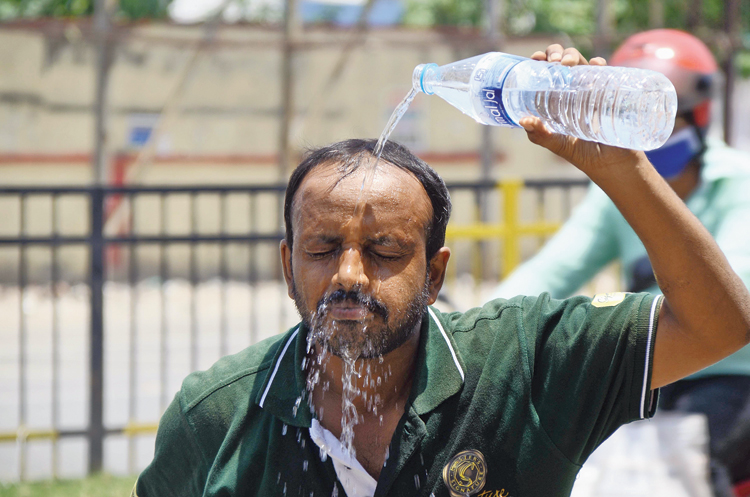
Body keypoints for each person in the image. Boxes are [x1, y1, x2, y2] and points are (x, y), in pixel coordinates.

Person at [132, 45, 750, 497]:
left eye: (385, 250)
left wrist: (623, 169)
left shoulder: (524, 369)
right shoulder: (218, 417)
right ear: (287, 269)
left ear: (434, 276)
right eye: (321, 249)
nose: (349, 274)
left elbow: (718, 326)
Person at [493, 30, 750, 495]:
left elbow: (733, 287)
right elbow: (553, 269)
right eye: (626, 118)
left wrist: (629, 305)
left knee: (688, 464)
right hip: (652, 365)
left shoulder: (739, 183)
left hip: (732, 372)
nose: (646, 135)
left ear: (697, 114)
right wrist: (475, 325)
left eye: (659, 119)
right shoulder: (614, 189)